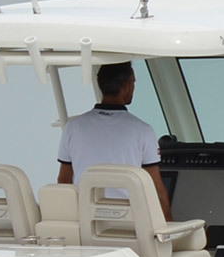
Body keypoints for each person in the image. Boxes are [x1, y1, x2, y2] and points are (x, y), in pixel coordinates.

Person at [56, 61, 173, 220]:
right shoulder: (143, 131)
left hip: (87, 222)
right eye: (133, 82)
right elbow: (156, 189)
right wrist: (169, 228)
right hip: (130, 222)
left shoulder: (73, 127)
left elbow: (64, 181)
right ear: (125, 85)